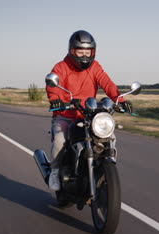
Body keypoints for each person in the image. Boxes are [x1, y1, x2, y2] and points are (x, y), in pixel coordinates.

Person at [46, 30, 132, 191]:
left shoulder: (95, 67)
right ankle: (55, 171)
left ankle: (107, 171)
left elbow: (107, 83)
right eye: (80, 51)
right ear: (72, 50)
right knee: (60, 140)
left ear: (93, 52)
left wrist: (120, 100)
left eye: (88, 52)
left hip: (89, 115)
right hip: (66, 115)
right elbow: (52, 87)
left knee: (109, 136)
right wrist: (56, 100)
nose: (85, 56)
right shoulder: (61, 67)